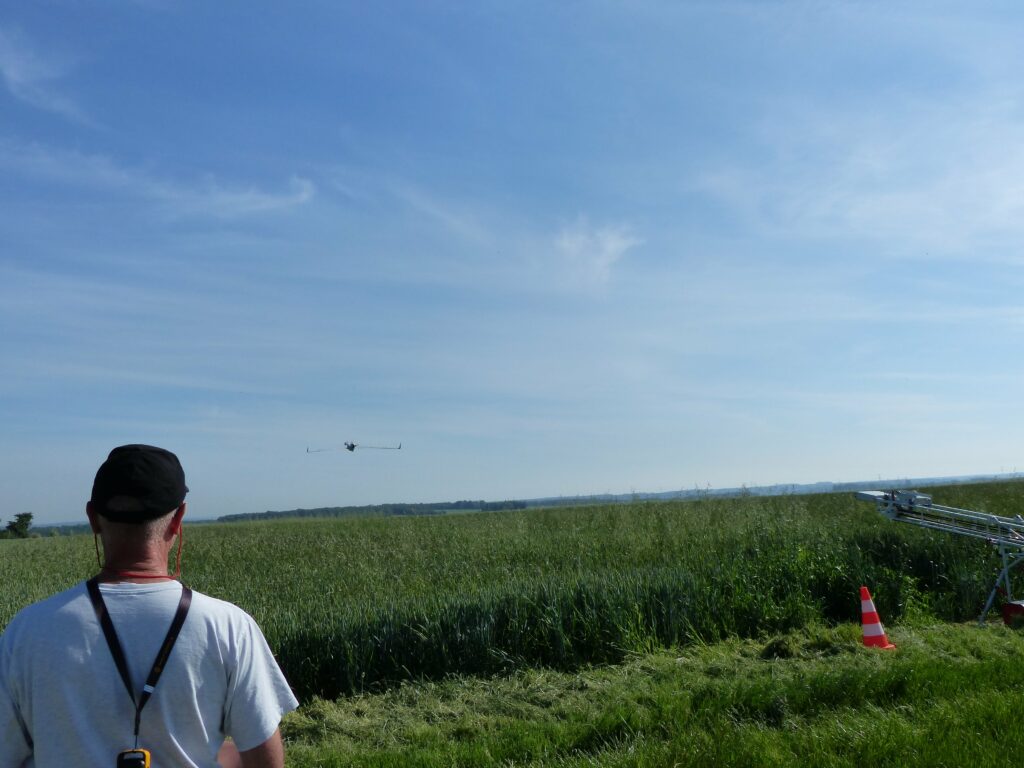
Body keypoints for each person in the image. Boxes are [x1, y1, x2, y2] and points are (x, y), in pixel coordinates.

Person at [0, 444, 299, 767]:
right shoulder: (228, 627)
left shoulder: (28, 631)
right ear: (178, 518)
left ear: (93, 518)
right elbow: (264, 761)